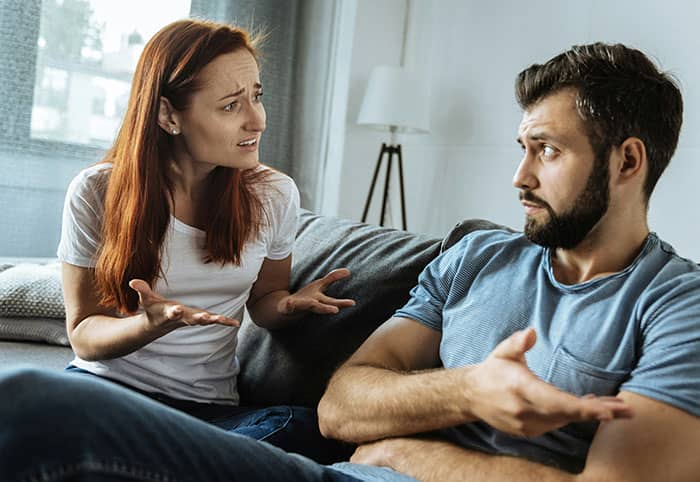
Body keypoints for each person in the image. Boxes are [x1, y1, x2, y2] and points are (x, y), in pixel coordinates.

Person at [1, 41, 699, 482]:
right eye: (522, 148)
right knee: (35, 406)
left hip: (354, 467)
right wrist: (469, 391)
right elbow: (340, 407)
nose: (519, 177)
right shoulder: (479, 257)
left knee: (38, 409)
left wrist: (403, 451)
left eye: (546, 150)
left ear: (627, 161)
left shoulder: (679, 307)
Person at [54, 18, 355, 460]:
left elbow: (264, 301)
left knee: (301, 427)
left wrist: (288, 305)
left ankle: (151, 462)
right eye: (230, 106)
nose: (257, 120)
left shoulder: (273, 194)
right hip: (107, 393)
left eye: (257, 96)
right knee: (27, 399)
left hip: (206, 413)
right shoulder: (97, 191)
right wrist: (149, 325)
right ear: (168, 115)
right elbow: (83, 332)